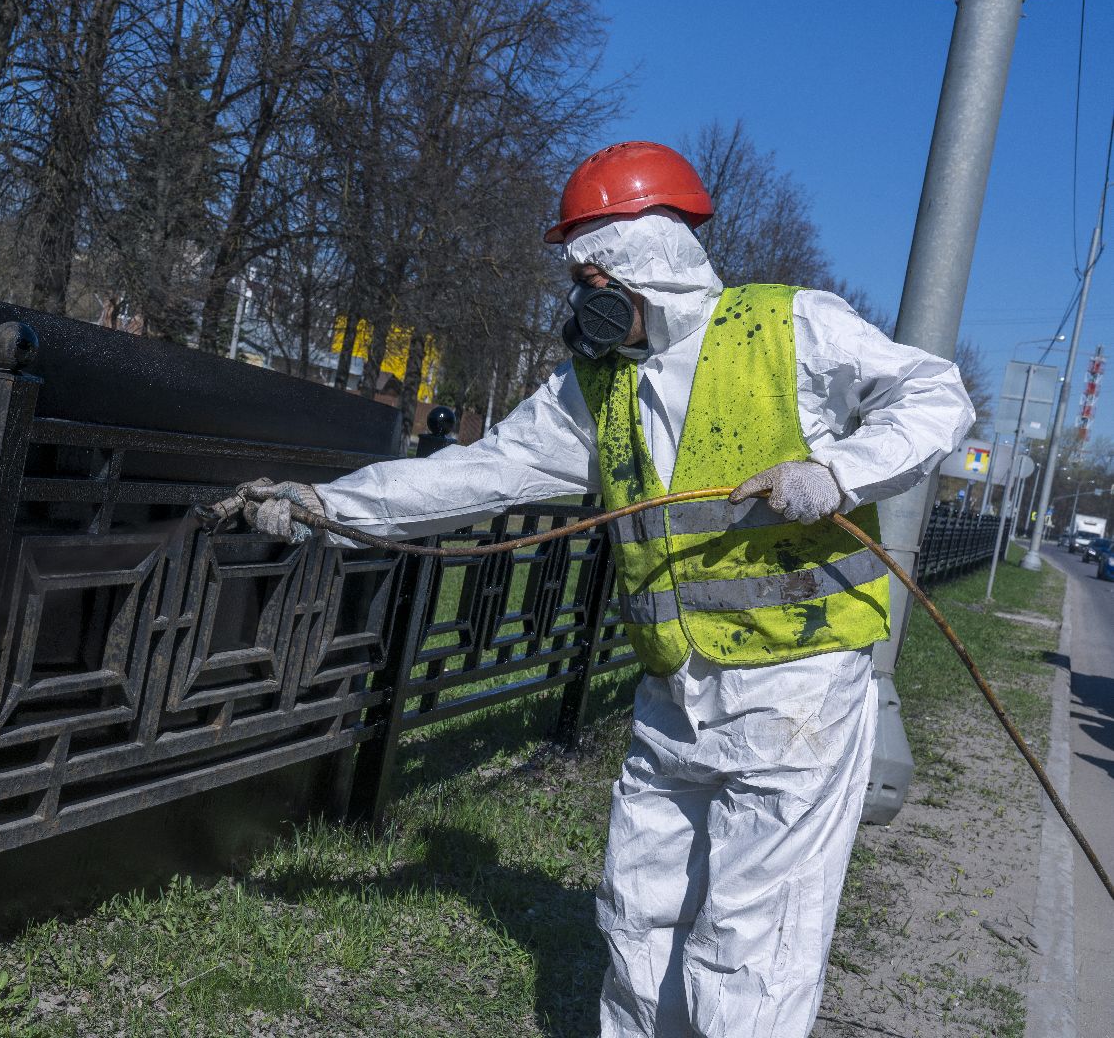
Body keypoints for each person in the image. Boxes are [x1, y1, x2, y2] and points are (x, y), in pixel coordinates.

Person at [237, 141, 973, 1036]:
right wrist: (325, 506)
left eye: (590, 271)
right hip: (674, 689)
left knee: (750, 942)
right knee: (636, 910)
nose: (581, 296)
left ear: (643, 259)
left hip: (797, 691)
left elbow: (934, 396)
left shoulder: (789, 327)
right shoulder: (595, 388)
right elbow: (480, 475)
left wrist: (838, 473)